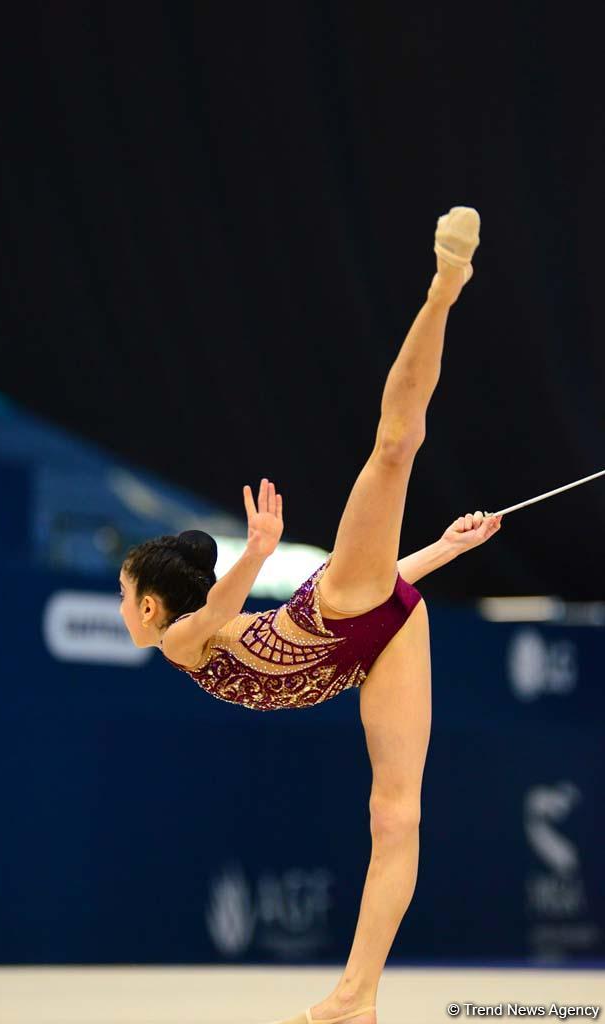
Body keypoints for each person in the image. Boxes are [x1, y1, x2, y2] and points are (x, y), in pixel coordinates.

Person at [118, 208, 502, 1024]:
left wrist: (258, 552)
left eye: (126, 597)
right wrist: (446, 549)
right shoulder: (195, 637)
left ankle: (443, 288)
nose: (124, 611)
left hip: (337, 611)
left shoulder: (182, 643)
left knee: (394, 446)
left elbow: (226, 603)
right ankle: (356, 999)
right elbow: (348, 589)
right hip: (381, 632)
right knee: (393, 813)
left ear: (151, 605)